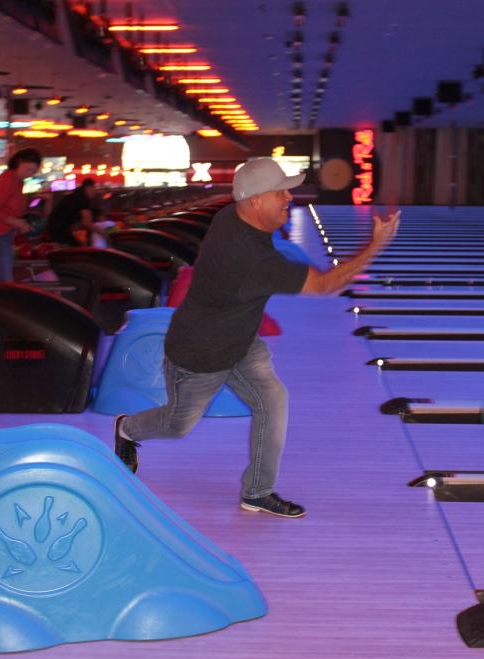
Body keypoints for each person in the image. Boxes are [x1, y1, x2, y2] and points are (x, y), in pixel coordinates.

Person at [113, 157, 400, 519]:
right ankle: (126, 428)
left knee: (273, 400)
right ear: (255, 201)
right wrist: (375, 246)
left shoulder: (232, 217)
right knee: (177, 425)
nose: (288, 198)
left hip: (241, 341)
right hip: (200, 353)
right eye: (280, 192)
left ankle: (258, 492)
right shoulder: (248, 257)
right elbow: (326, 284)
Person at [0, 148, 42, 281]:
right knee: (4, 277)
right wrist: (17, 222)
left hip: (1, 233)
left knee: (3, 275)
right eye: (28, 169)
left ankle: (3, 299)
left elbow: (8, 208)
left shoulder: (16, 180)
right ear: (18, 162)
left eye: (33, 171)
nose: (30, 174)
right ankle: (3, 300)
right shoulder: (8, 180)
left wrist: (22, 218)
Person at [45, 178, 105, 246]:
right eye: (94, 188)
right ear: (88, 187)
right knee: (79, 249)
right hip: (59, 233)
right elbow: (87, 223)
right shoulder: (82, 198)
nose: (95, 192)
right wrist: (103, 234)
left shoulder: (74, 195)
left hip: (52, 230)